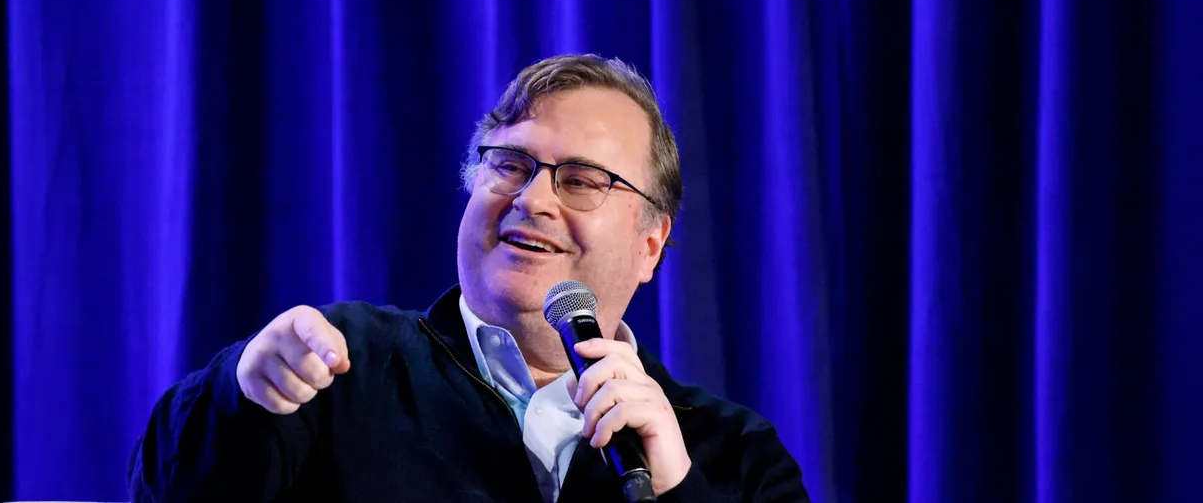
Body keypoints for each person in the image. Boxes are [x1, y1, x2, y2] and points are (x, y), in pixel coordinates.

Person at [127, 53, 810, 502]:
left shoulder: (732, 455)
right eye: (509, 165)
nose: (533, 199)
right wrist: (239, 396)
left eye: (579, 180)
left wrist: (677, 491)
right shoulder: (337, 372)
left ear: (651, 246)